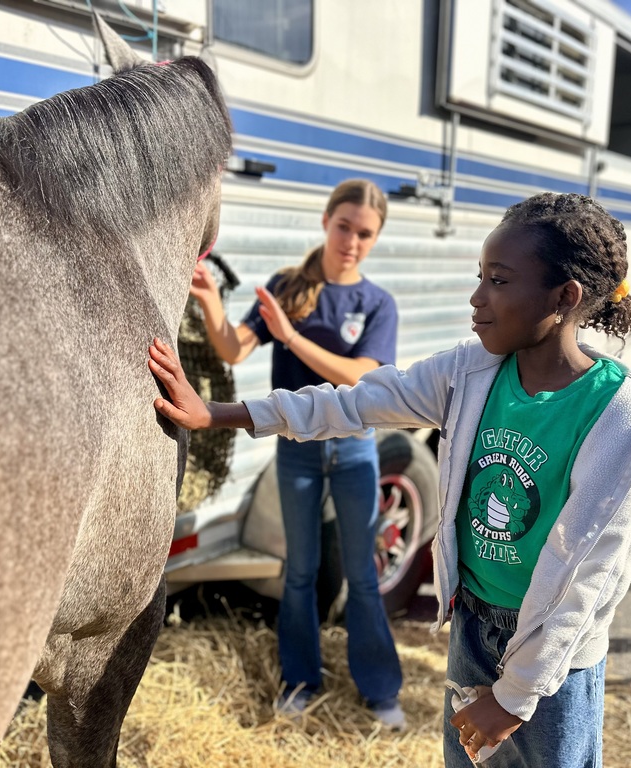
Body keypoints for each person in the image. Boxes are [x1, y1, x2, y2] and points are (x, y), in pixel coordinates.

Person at [148, 192, 631, 767]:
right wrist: (221, 413)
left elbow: (590, 577)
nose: (476, 299)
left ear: (565, 296)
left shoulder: (618, 416)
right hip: (475, 626)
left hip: (556, 658)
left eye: (498, 280)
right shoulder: (470, 372)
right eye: (479, 277)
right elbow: (355, 403)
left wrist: (517, 693)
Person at [186, 178, 405, 728]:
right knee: (300, 573)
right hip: (298, 451)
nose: (352, 241)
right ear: (326, 222)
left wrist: (291, 338)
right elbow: (232, 347)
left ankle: (380, 692)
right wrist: (212, 301)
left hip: (355, 451)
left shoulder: (377, 304)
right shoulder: (287, 285)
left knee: (361, 573)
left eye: (365, 234)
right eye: (344, 227)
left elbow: (362, 379)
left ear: (375, 240)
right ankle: (300, 682)